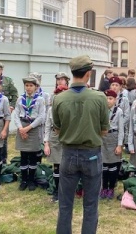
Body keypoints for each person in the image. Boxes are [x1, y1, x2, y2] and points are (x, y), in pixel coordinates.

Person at [53, 55, 109, 234]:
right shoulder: (100, 98)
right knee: (91, 205)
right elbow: (104, 130)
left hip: (68, 154)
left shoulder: (59, 98)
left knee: (65, 205)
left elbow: (57, 129)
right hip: (91, 154)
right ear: (88, 74)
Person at [14, 77, 46, 191]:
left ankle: (32, 180)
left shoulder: (40, 99)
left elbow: (42, 116)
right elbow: (16, 115)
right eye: (26, 85)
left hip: (33, 127)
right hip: (22, 126)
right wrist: (20, 128)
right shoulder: (20, 99)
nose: (28, 88)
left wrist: (28, 128)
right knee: (23, 155)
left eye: (31, 85)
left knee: (32, 156)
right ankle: (24, 180)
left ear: (36, 87)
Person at [44, 84, 69, 202]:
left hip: (67, 138)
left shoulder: (71, 108)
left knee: (67, 166)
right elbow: (47, 127)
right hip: (54, 138)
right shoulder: (51, 110)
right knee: (57, 166)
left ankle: (66, 190)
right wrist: (46, 143)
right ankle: (57, 191)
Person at [100, 89, 124, 200]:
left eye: (110, 98)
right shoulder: (101, 110)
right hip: (103, 138)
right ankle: (104, 187)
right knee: (104, 166)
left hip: (113, 138)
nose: (108, 101)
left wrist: (119, 145)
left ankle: (111, 188)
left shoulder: (119, 112)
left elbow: (121, 130)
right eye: (106, 98)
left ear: (115, 100)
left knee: (113, 166)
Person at [29, 72, 49, 164]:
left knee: (38, 145)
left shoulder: (45, 95)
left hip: (41, 124)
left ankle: (38, 165)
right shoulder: (26, 95)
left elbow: (47, 110)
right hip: (29, 123)